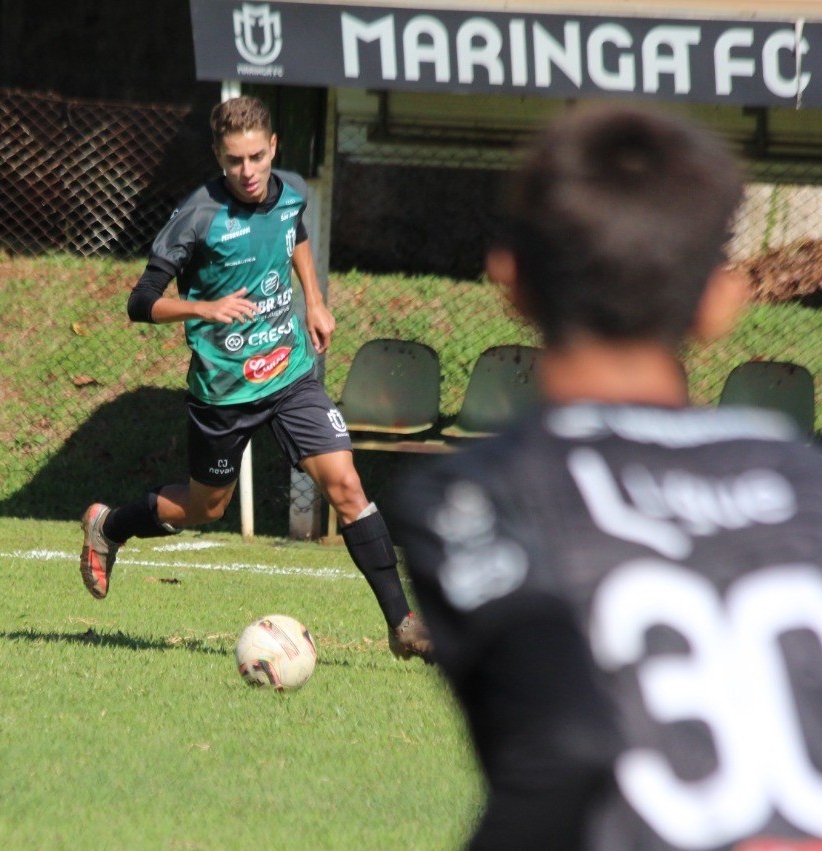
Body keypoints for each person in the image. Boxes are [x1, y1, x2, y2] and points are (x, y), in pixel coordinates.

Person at [392, 103, 822, 849]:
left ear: (511, 281)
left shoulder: (478, 493)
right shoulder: (798, 472)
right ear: (719, 304)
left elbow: (563, 748)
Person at [78, 95, 432, 662]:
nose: (247, 172)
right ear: (219, 157)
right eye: (234, 161)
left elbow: (296, 235)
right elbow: (140, 302)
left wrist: (314, 301)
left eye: (256, 158)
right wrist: (204, 308)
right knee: (204, 508)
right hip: (223, 395)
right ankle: (109, 526)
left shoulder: (288, 196)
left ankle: (404, 623)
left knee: (346, 487)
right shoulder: (199, 215)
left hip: (291, 375)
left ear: (272, 148)